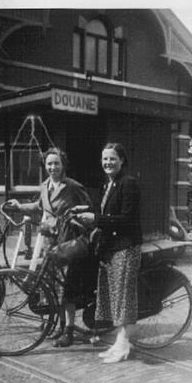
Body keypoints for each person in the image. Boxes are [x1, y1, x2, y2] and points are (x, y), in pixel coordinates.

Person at [7, 147, 93, 348]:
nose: (53, 167)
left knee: (66, 287)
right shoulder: (45, 185)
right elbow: (39, 206)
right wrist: (19, 206)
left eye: (56, 163)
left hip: (67, 241)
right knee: (52, 287)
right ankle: (58, 325)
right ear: (45, 166)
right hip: (48, 241)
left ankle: (69, 331)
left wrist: (78, 220)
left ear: (63, 165)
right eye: (49, 164)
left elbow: (90, 209)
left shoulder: (73, 187)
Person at [77, 142, 142, 363]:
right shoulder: (110, 184)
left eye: (112, 158)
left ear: (122, 160)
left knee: (122, 297)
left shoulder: (128, 183)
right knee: (113, 297)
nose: (108, 163)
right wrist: (89, 213)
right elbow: (108, 213)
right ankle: (119, 342)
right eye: (105, 159)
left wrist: (96, 219)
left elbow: (126, 219)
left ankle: (123, 345)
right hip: (111, 248)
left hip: (125, 247)